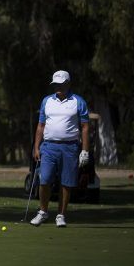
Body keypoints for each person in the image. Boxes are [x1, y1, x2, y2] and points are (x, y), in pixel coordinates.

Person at [30, 70, 90, 228]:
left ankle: (61, 215)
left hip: (70, 147)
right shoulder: (46, 101)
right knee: (44, 180)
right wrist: (36, 147)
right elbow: (41, 125)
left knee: (66, 182)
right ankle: (43, 212)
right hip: (48, 146)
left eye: (61, 84)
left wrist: (85, 150)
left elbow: (84, 127)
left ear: (68, 83)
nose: (58, 87)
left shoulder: (78, 102)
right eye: (56, 84)